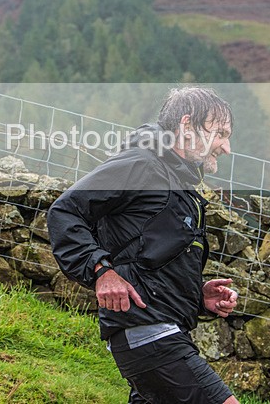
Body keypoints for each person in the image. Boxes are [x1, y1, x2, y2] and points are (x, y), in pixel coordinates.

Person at [47, 87, 241, 403]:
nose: (226, 147)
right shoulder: (141, 165)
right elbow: (66, 211)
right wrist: (101, 271)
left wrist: (196, 293)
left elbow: (145, 252)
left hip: (159, 329)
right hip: (148, 332)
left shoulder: (175, 179)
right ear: (187, 126)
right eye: (219, 133)